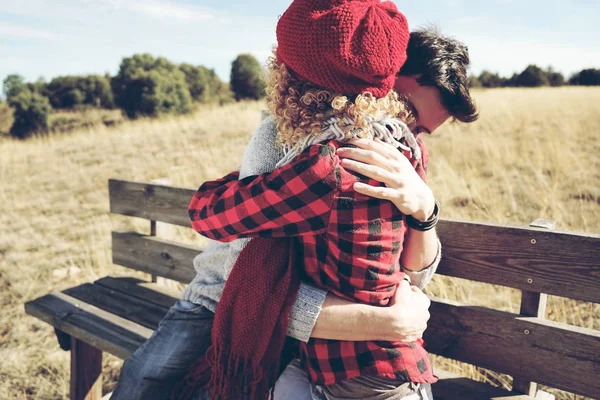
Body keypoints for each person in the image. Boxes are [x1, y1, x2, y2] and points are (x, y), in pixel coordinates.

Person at [111, 15, 478, 400]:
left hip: (336, 353)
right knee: (144, 379)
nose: (405, 129)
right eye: (407, 110)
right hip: (231, 300)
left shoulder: (397, 154)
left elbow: (409, 278)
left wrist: (424, 210)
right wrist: (381, 322)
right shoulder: (295, 143)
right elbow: (241, 260)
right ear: (378, 79)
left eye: (418, 130)